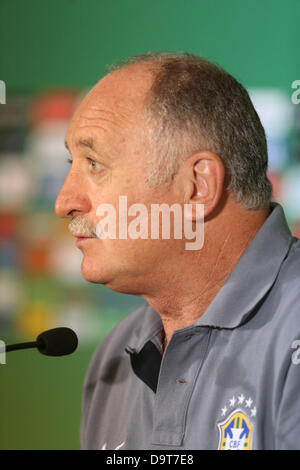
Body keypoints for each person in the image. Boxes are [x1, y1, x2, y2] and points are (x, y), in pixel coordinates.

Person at [55, 52, 300, 450]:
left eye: (94, 164)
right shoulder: (115, 358)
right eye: (72, 163)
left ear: (197, 186)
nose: (64, 201)